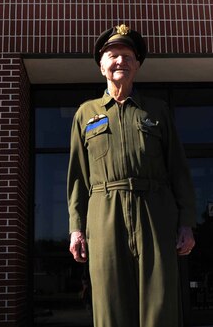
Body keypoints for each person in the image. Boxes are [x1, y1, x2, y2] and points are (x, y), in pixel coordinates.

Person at [67, 24, 196, 327]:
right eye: (113, 56)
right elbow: (77, 178)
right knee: (110, 301)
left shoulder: (157, 111)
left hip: (155, 209)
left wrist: (187, 222)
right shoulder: (86, 114)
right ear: (101, 66)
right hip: (104, 211)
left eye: (127, 55)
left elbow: (178, 170)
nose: (120, 61)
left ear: (137, 65)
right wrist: (76, 228)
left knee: (159, 299)